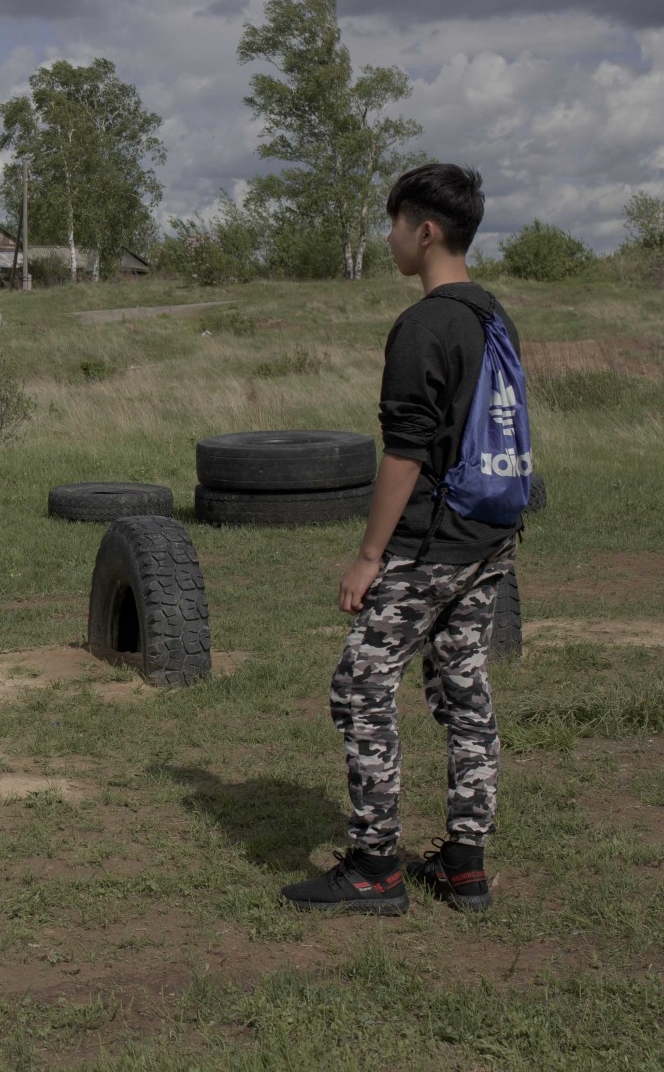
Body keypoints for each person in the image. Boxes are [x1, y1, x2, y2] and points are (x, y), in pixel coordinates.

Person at [282, 163, 524, 917]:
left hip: (429, 544)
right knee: (464, 688)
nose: (388, 239)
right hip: (490, 535)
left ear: (425, 231)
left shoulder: (424, 325)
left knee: (359, 688)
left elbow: (406, 450)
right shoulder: (492, 315)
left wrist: (368, 557)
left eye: (394, 225)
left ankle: (376, 866)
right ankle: (464, 864)